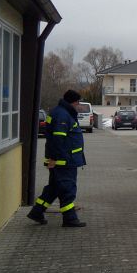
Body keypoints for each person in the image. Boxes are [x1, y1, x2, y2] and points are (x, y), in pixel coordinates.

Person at [27, 89, 87, 227]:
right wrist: (54, 158)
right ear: (73, 101)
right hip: (64, 161)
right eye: (78, 102)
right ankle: (70, 219)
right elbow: (57, 139)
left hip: (62, 159)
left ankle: (37, 212)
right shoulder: (62, 115)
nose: (79, 105)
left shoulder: (60, 112)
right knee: (67, 189)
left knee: (54, 188)